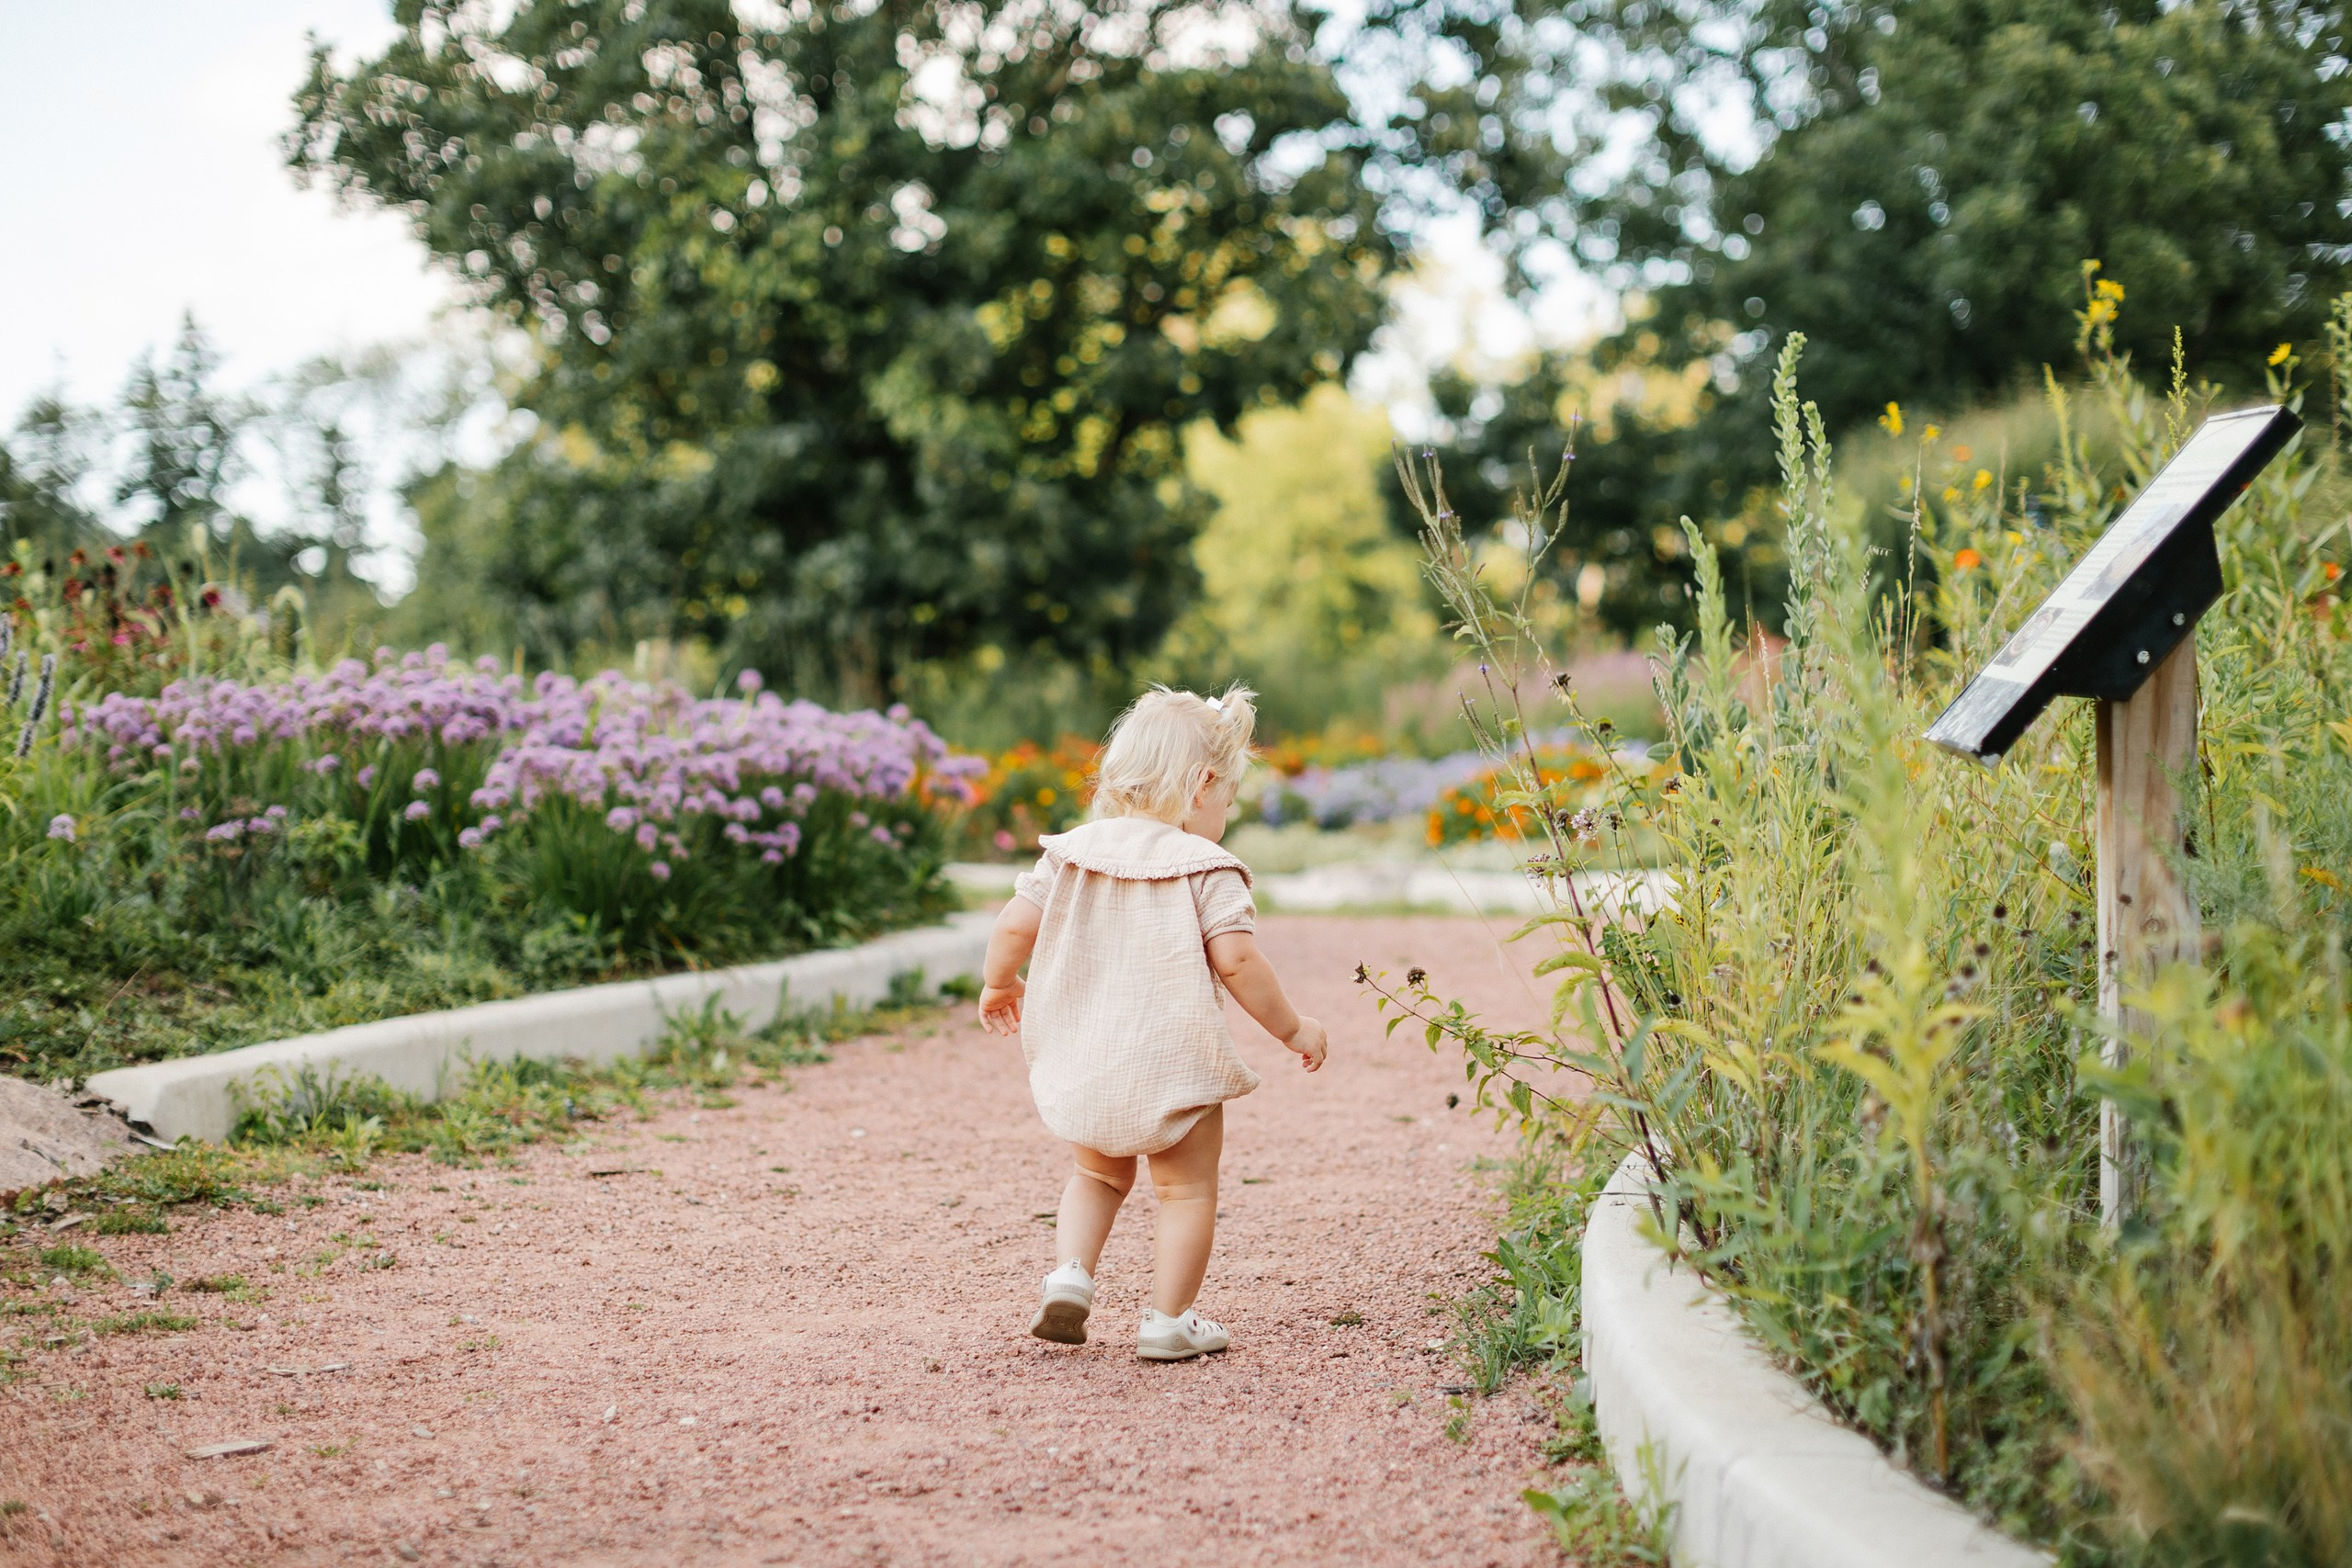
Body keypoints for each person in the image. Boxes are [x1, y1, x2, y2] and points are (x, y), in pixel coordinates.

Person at [976, 684, 1329, 1361]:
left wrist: (999, 984)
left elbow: (1016, 923)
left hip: (1089, 1064)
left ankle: (1070, 1276)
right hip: (1174, 1068)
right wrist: (1292, 1029)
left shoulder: (1072, 853)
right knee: (1186, 1191)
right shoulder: (1207, 867)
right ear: (1202, 785)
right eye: (1229, 798)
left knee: (1097, 1178)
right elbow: (1238, 960)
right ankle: (1168, 1321)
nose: (1227, 812)